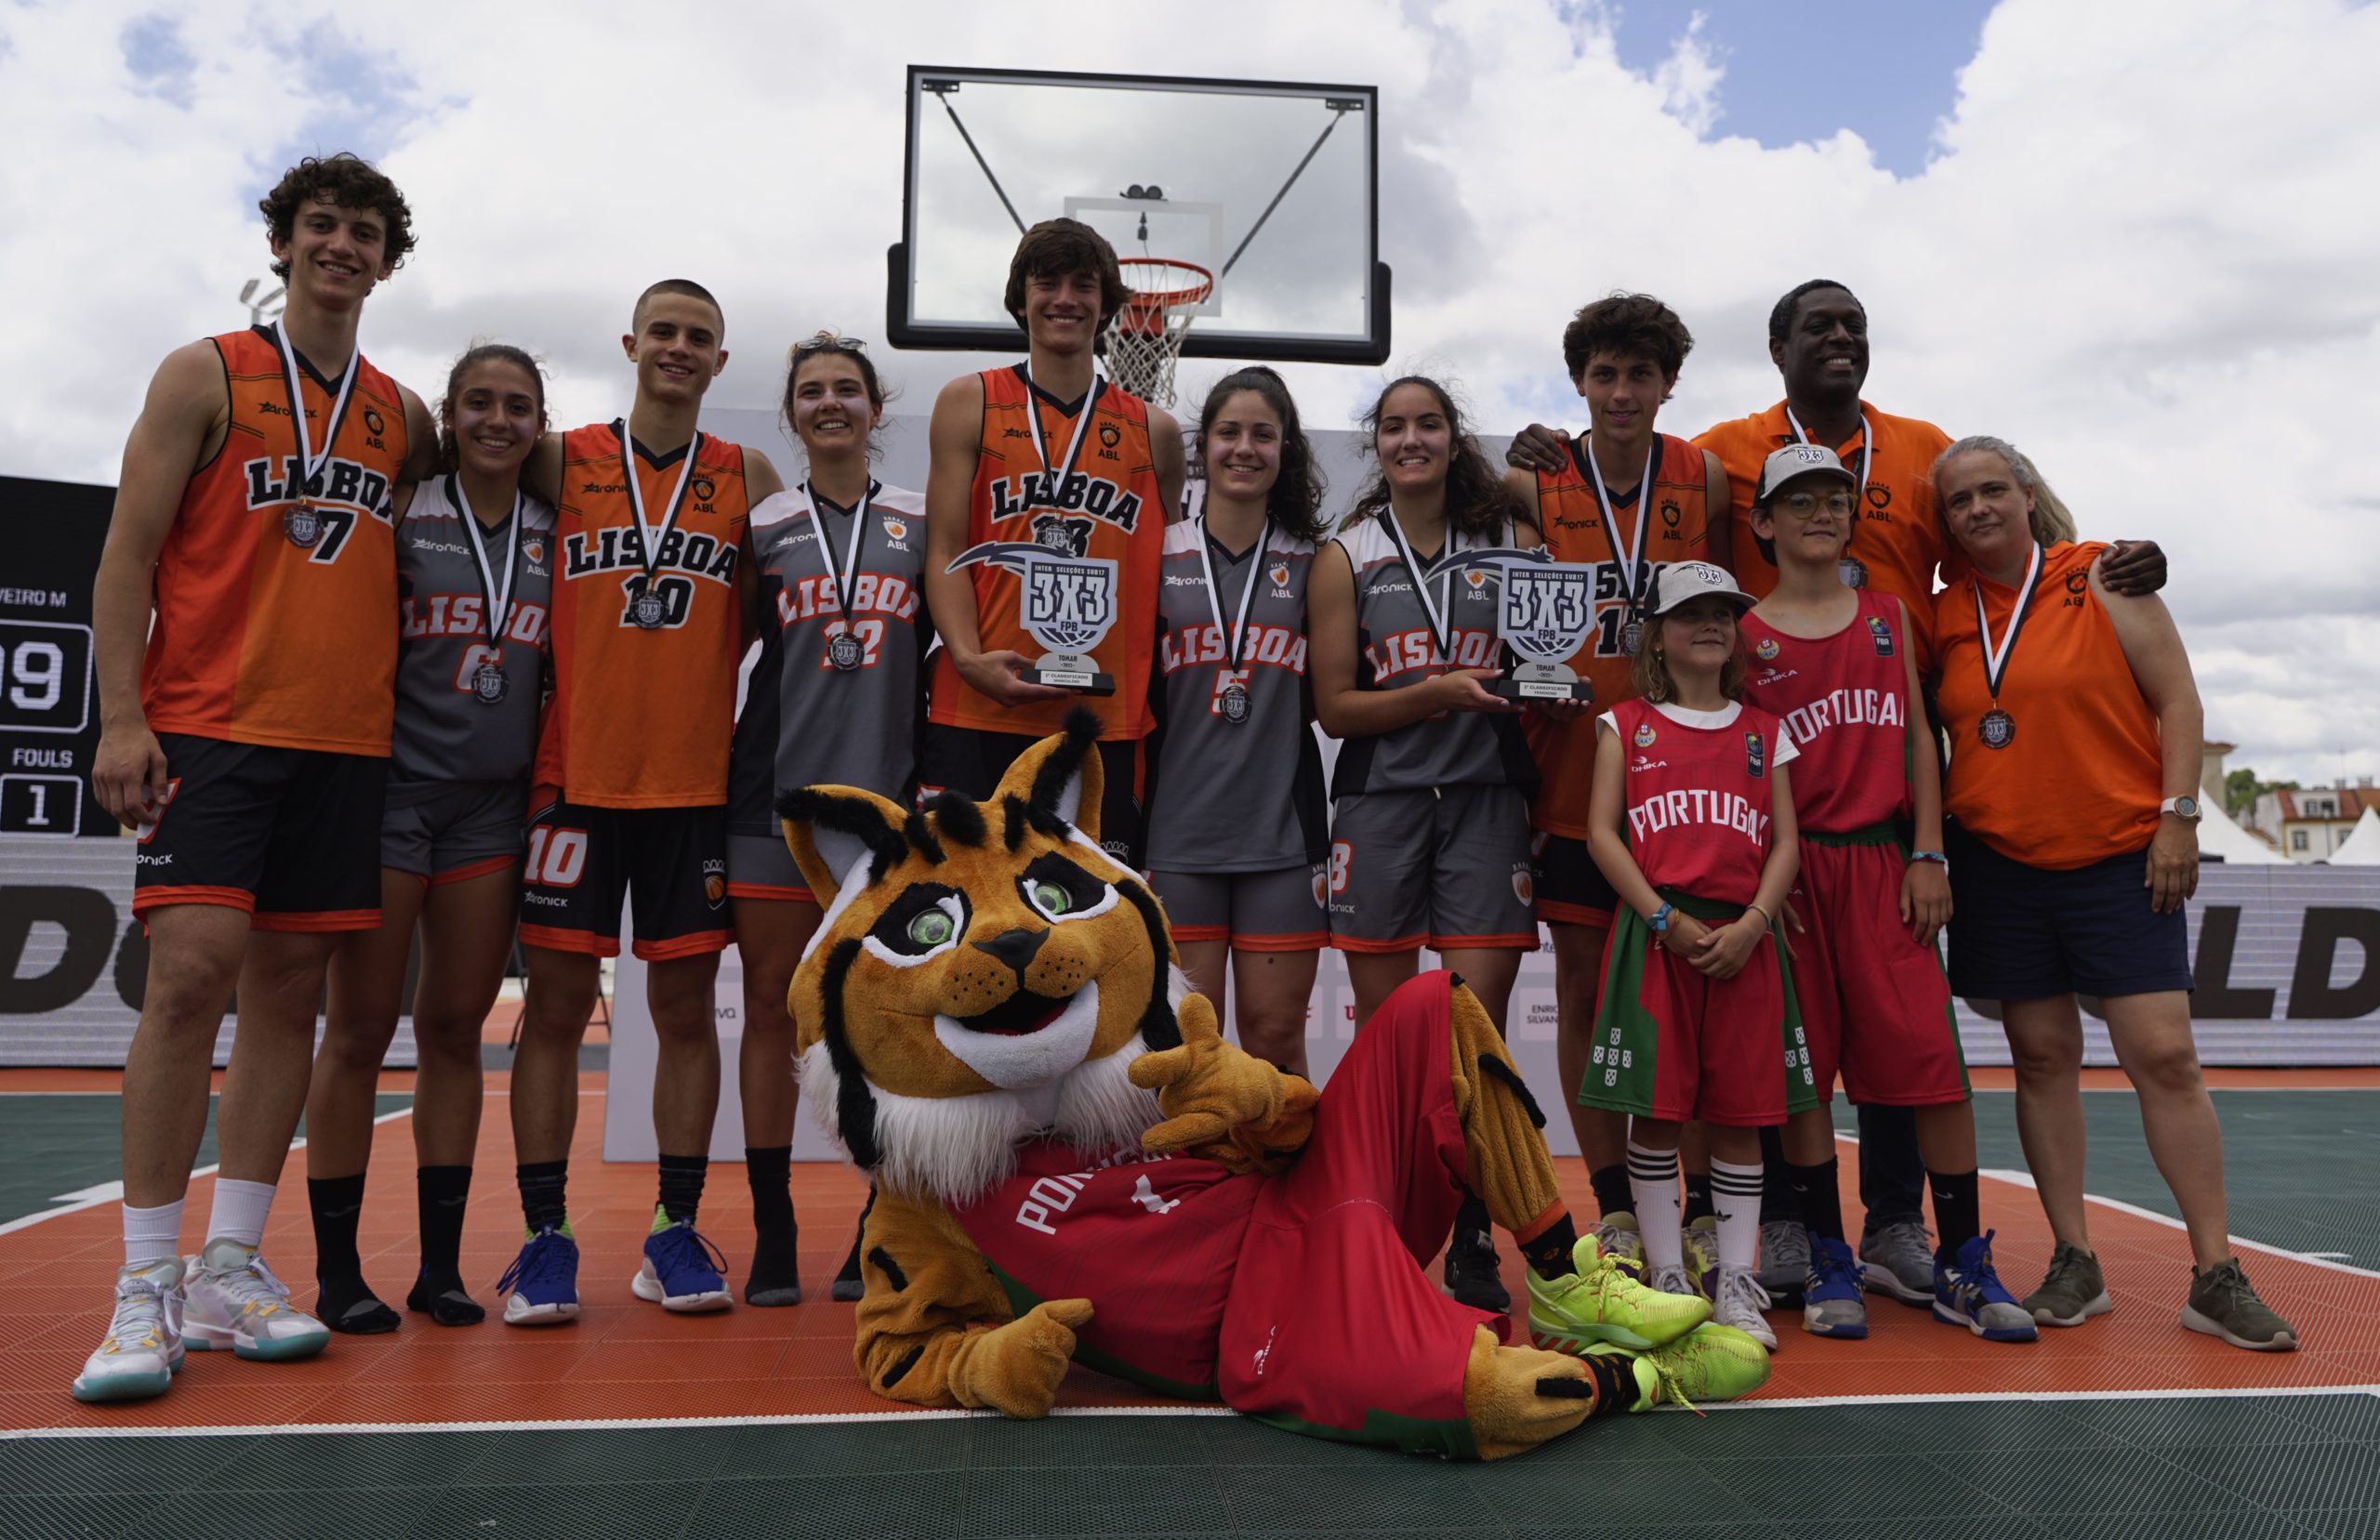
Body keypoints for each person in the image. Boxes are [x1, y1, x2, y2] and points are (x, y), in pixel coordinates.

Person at [1511, 281, 2170, 1307]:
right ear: (1773, 351)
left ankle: (1908, 1229)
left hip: (1887, 833)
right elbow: (1560, 476)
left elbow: (1997, 550)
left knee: (1906, 1056)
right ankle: (1787, 1233)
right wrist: (1529, 450)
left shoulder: (1917, 474)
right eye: (1814, 326)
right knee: (1777, 1057)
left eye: (1853, 324)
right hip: (1766, 842)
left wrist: (2107, 557)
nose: (1837, 339)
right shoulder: (1724, 462)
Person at [77, 154, 436, 1402]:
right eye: (322, 226)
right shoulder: (204, 372)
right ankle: (142, 1284)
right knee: (186, 986)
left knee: (291, 994)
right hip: (213, 725)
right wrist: (122, 720)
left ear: (390, 261)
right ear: (282, 244)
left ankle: (232, 1263)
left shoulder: (403, 413)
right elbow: (124, 555)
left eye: (366, 232)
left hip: (344, 742)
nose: (342, 246)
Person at [1931, 436, 2297, 1352]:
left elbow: (2178, 697)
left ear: (2026, 495)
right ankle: (2073, 1258)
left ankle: (2214, 1272)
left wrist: (2179, 817)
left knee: (2162, 1055)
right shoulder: (1940, 615)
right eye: (1957, 500)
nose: (1976, 509)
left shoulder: (2099, 574)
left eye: (1991, 491)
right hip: (1998, 864)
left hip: (2116, 856)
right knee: (2042, 1056)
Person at [496, 279, 785, 1326]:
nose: (678, 347)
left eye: (698, 337)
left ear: (719, 360)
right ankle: (543, 1237)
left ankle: (673, 1230)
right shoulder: (560, 458)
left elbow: (753, 620)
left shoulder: (747, 476)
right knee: (558, 1012)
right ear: (630, 344)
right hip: (574, 777)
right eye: (662, 331)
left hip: (692, 783)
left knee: (680, 1013)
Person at [1739, 444, 2033, 1343]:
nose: (1821, 513)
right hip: (1794, 876)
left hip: (1883, 864)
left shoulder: (1886, 617)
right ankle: (1832, 1251)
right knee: (1805, 1079)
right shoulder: (1743, 633)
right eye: (1799, 501)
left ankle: (1960, 1260)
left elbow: (1917, 742)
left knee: (1930, 1070)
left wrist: (1929, 852)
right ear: (1764, 523)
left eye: (1834, 498)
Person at [303, 344, 557, 1334]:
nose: (498, 420)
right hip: (392, 796)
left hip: (490, 810)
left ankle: (440, 1270)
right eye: (480, 403)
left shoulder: (556, 528)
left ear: (540, 423)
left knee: (455, 1029)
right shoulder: (406, 508)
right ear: (450, 415)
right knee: (360, 1028)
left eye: (519, 407)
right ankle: (337, 1270)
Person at [1309, 375, 1563, 1312]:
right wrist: (1437, 693)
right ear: (1374, 444)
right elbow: (1335, 707)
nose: (1410, 438)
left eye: (1428, 423)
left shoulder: (1509, 540)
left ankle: (1469, 1237)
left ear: (1455, 441)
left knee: (1475, 1045)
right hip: (1380, 804)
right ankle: (1378, 1229)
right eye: (1393, 425)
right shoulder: (1347, 556)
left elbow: (1550, 652)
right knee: (1392, 1049)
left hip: (1488, 802)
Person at [1499, 293, 1728, 1273]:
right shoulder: (1530, 477)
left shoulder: (1705, 476)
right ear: (1578, 383)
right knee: (1588, 991)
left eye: (1640, 374)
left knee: (1693, 992)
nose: (1622, 392)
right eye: (1604, 374)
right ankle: (1615, 1205)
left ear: (1668, 383)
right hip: (1567, 767)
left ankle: (1707, 1199)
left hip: (1680, 773)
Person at [724, 333, 927, 1305]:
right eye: (812, 391)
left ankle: (878, 1220)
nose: (831, 403)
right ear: (792, 412)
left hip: (888, 816)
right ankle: (773, 1229)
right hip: (777, 801)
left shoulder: (922, 523)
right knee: (773, 1009)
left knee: (882, 1019)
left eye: (848, 388)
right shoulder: (759, 525)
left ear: (876, 409)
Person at [1579, 560, 1812, 1349]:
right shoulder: (1625, 723)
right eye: (1690, 614)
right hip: (1659, 937)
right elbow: (1600, 833)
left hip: (1742, 940)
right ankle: (1669, 1275)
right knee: (1660, 1113)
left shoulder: (1764, 731)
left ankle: (1735, 1282)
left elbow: (1785, 843)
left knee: (1741, 1118)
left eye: (1723, 612)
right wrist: (1661, 916)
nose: (1710, 625)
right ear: (1658, 634)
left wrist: (1753, 922)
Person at [920, 217, 1186, 869]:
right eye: (1047, 282)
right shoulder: (968, 401)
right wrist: (965, 656)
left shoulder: (1156, 430)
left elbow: (1167, 579)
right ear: (1020, 298)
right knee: (966, 915)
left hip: (1103, 719)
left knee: (1088, 927)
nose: (1065, 298)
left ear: (1107, 304)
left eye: (1083, 284)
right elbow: (945, 548)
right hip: (978, 708)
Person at [1144, 367, 1331, 1076]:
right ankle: (1198, 1193)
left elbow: (1330, 693)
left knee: (1275, 1036)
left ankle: (1290, 1191)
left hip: (1280, 836)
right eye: (1229, 432)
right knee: (1191, 1048)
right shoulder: (1157, 554)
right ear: (1203, 447)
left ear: (1286, 450)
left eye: (1263, 434)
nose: (1243, 448)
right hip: (1178, 833)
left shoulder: (1316, 563)